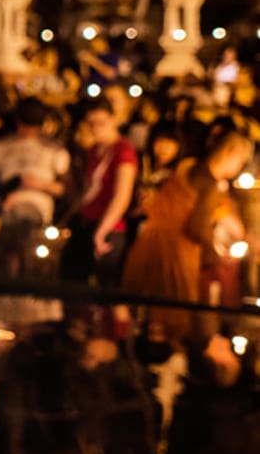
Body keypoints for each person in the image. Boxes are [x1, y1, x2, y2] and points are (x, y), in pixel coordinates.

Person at [122, 129, 253, 346]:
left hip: (148, 242)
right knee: (172, 313)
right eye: (239, 162)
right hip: (176, 252)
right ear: (230, 152)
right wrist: (212, 252)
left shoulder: (190, 166)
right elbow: (197, 227)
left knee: (144, 308)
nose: (238, 169)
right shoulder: (210, 184)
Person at [0, 98, 68, 277]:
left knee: (28, 238)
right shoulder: (0, 147)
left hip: (40, 212)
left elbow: (64, 190)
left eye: (33, 126)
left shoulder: (54, 150)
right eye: (25, 125)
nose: (28, 131)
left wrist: (40, 184)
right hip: (8, 207)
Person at [61, 98, 138, 289]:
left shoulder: (123, 151)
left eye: (101, 123)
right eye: (91, 123)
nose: (96, 128)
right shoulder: (95, 150)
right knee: (70, 280)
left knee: (103, 288)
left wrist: (102, 231)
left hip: (109, 227)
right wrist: (68, 217)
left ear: (113, 119)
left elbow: (122, 196)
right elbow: (89, 189)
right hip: (86, 221)